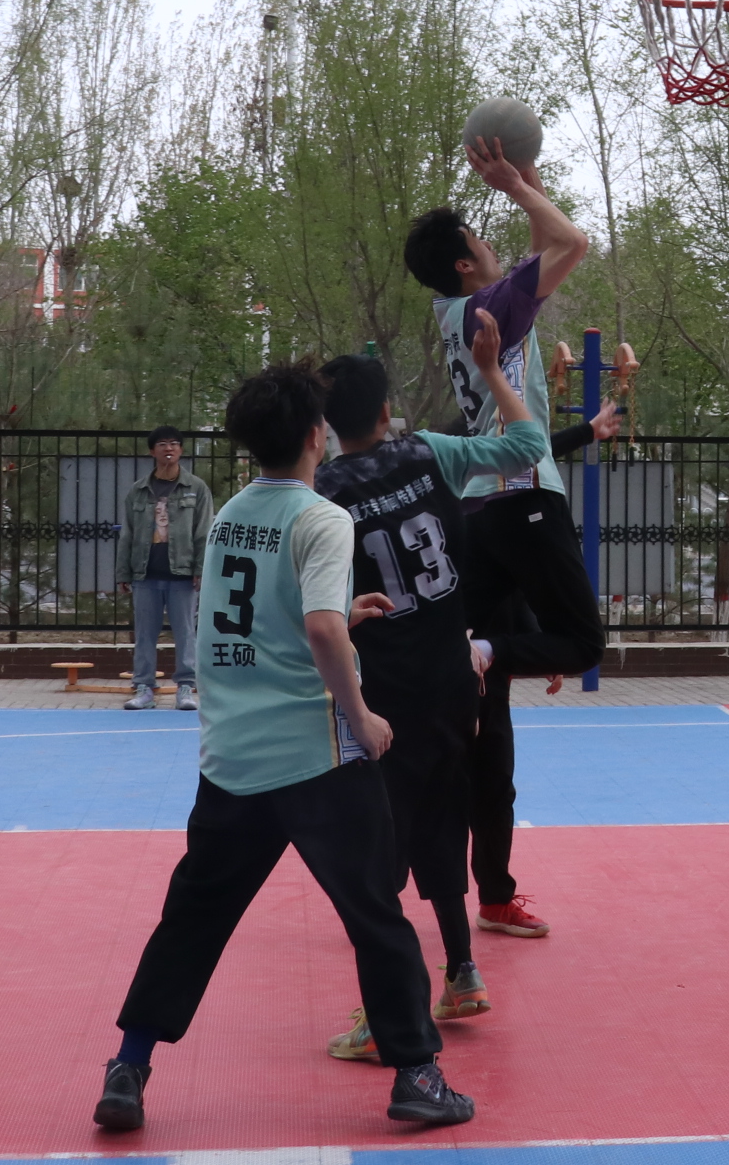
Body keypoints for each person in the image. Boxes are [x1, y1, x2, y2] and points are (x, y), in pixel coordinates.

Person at [90, 364, 475, 1134]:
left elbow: (250, 617)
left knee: (192, 919)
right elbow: (320, 630)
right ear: (314, 435)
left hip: (232, 759)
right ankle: (417, 1075)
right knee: (376, 915)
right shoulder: (321, 517)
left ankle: (129, 1067)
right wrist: (362, 715)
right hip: (315, 757)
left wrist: (339, 614)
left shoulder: (232, 512)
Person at [314, 312, 546, 1049]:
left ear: (326, 425)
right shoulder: (430, 454)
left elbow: (319, 611)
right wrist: (492, 372)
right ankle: (463, 973)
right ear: (387, 410)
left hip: (382, 695)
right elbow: (528, 447)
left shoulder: (322, 494)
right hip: (452, 682)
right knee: (445, 819)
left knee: (376, 846)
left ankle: (387, 1013)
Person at [401, 136, 595, 941]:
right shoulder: (490, 309)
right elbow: (571, 242)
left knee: (487, 722)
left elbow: (544, 249)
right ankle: (493, 650)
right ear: (464, 264)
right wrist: (516, 185)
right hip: (521, 499)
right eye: (480, 239)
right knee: (581, 645)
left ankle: (485, 892)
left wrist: (531, 183)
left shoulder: (464, 311)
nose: (493, 244)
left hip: (481, 512)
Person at [115, 425, 210, 712]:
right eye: (162, 444)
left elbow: (203, 532)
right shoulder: (138, 490)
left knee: (185, 633)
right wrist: (123, 572)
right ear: (152, 451)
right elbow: (128, 533)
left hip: (183, 574)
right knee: (145, 634)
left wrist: (200, 568)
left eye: (174, 444)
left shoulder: (196, 488)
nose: (169, 448)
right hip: (146, 573)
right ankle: (144, 687)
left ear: (181, 450)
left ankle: (186, 687)